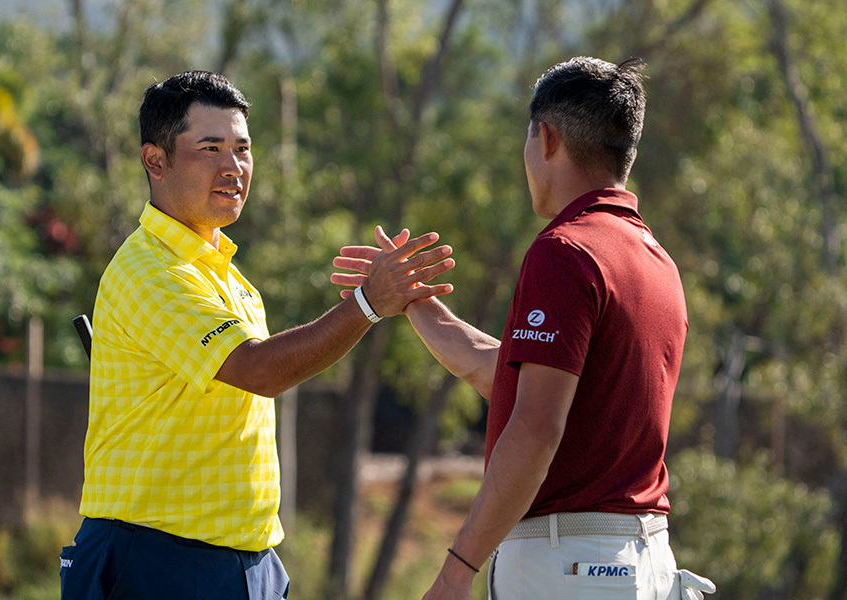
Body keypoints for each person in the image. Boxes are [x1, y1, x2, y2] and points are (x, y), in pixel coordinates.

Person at [59, 70, 454, 600]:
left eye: (243, 149)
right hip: (155, 557)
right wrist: (367, 304)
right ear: (155, 161)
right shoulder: (150, 270)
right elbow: (260, 369)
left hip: (246, 561)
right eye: (210, 148)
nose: (233, 168)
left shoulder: (229, 279)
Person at [333, 57, 715, 600]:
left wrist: (456, 569)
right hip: (643, 561)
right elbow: (510, 379)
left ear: (547, 138)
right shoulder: (655, 259)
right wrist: (416, 303)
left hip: (570, 568)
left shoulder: (565, 251)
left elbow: (535, 427)